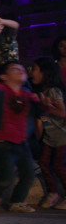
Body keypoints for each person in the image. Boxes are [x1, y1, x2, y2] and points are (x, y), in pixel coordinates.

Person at [0, 61, 39, 213]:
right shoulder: (1, 90)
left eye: (22, 68)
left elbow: (40, 109)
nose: (20, 70)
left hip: (22, 141)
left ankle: (17, 201)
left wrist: (46, 104)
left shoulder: (27, 94)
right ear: (4, 76)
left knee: (29, 175)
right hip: (3, 141)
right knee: (6, 176)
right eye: (15, 69)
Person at [31, 57, 66, 210]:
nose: (32, 73)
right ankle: (52, 192)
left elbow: (62, 113)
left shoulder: (53, 91)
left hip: (61, 135)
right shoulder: (41, 92)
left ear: (45, 72)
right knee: (44, 163)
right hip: (49, 136)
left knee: (58, 165)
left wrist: (47, 107)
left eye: (35, 69)